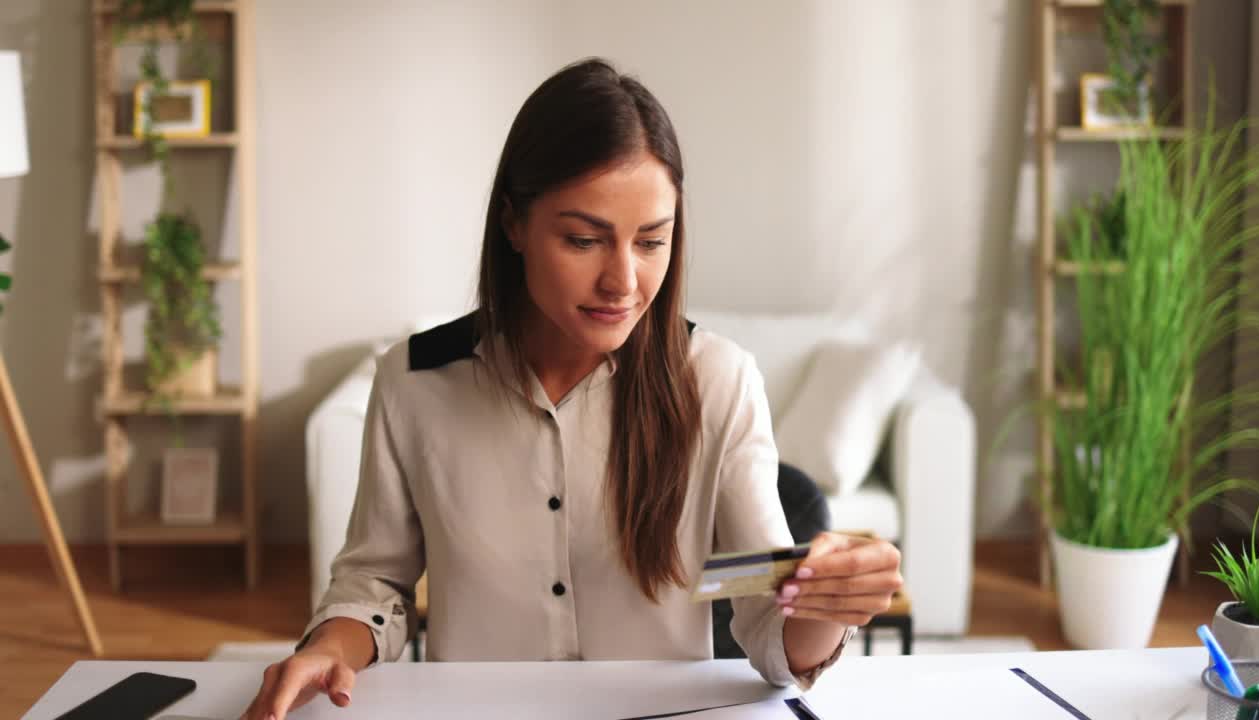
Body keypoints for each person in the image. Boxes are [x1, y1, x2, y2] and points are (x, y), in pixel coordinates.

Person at [239, 57, 902, 720]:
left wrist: (823, 606)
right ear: (515, 224)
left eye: (651, 241)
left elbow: (766, 621)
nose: (623, 280)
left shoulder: (720, 380)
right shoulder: (413, 384)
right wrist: (331, 645)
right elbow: (373, 583)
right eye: (584, 239)